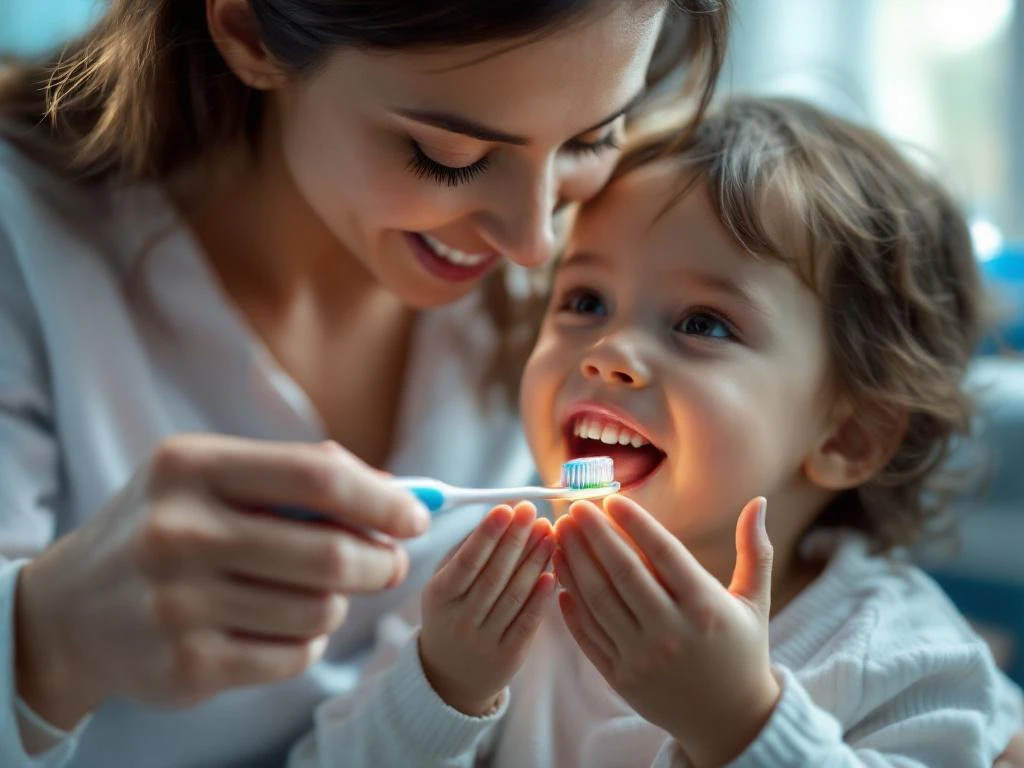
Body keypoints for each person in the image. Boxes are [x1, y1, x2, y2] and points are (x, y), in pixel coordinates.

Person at [0, 0, 731, 765]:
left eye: (593, 139)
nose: (534, 242)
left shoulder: (614, 270)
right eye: (449, 156)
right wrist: (48, 644)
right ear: (248, 31)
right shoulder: (26, 248)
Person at [288, 96, 1024, 767]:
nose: (607, 355)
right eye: (584, 300)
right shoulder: (487, 599)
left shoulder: (906, 660)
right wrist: (442, 688)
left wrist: (740, 723)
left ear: (848, 440)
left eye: (702, 324)